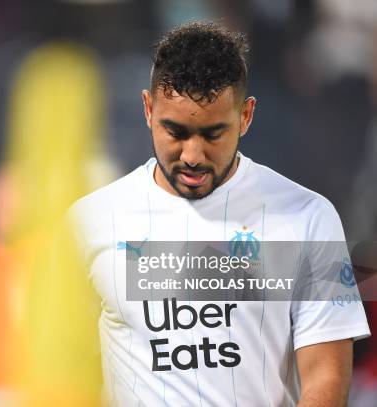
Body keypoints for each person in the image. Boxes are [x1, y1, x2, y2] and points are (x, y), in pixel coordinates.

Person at [67, 21, 370, 406]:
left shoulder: (307, 216)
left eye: (213, 134)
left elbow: (325, 372)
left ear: (246, 116)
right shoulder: (90, 221)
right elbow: (66, 367)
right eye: (175, 132)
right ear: (147, 109)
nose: (193, 156)